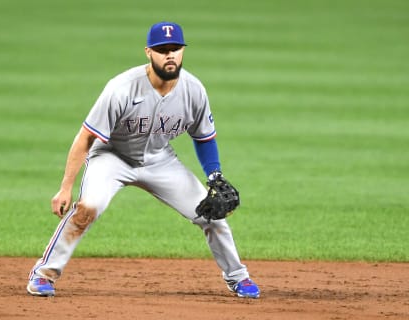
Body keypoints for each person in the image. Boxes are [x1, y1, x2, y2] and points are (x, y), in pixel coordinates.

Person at [26, 21, 260, 299]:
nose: (170, 55)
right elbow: (85, 137)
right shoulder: (122, 88)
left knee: (212, 214)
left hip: (160, 160)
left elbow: (204, 137)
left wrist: (214, 175)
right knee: (87, 209)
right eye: (163, 50)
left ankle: (238, 277)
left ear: (183, 52)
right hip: (111, 157)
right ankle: (43, 275)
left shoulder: (194, 90)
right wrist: (65, 186)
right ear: (149, 52)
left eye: (175, 49)